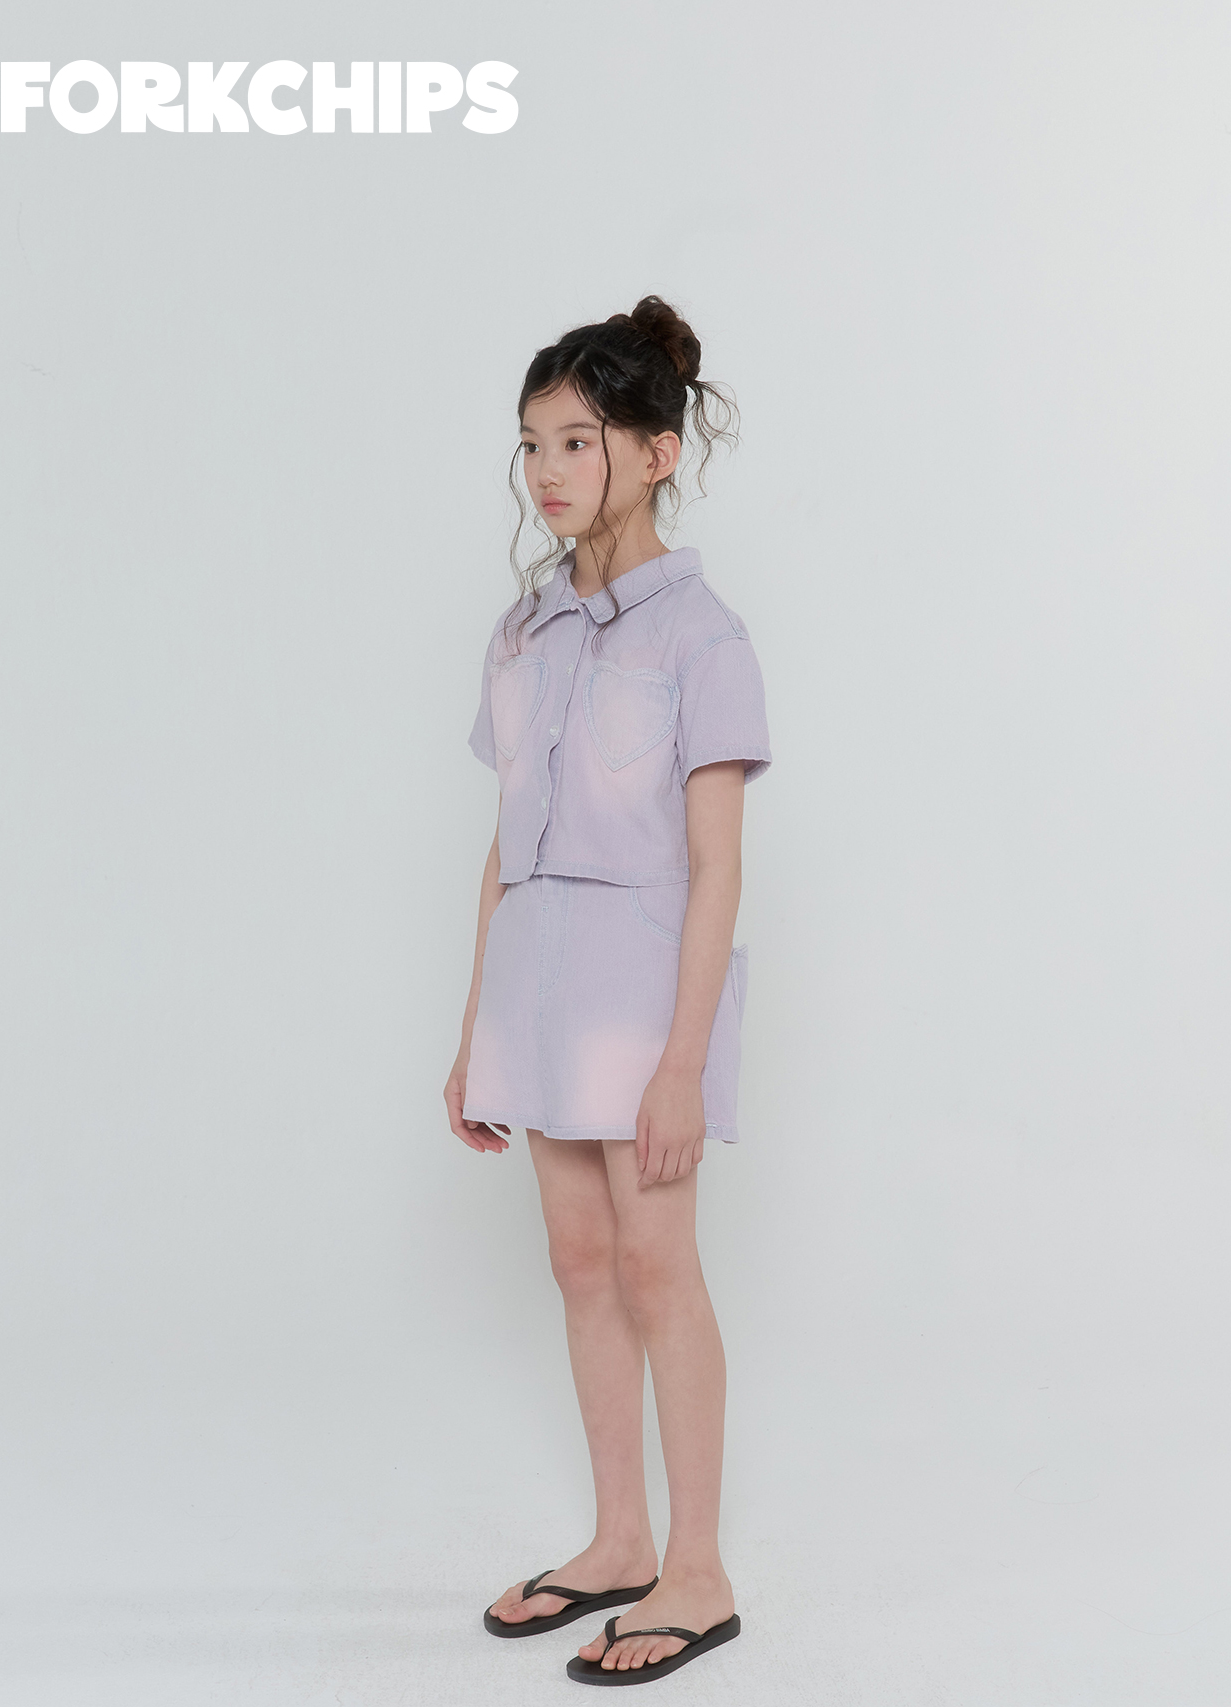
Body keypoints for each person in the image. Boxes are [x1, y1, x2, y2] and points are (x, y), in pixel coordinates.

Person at [443, 296, 772, 1686]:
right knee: (579, 1263)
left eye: (578, 440)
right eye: (532, 444)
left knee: (655, 1265)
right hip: (536, 986)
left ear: (655, 451)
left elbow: (717, 866)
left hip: (642, 993)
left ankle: (698, 1571)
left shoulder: (703, 637)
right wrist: (472, 1034)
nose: (549, 470)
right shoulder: (523, 633)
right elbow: (502, 844)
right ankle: (619, 1541)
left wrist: (683, 1061)